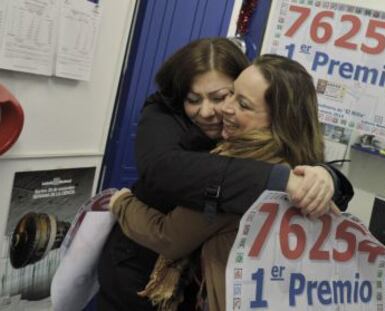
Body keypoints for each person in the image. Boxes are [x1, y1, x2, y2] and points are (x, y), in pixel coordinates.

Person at [97, 38, 353, 310]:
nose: (215, 111)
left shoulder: (255, 157)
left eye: (229, 97)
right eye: (193, 99)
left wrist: (327, 178)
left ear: (278, 118)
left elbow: (170, 237)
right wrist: (291, 178)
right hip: (135, 272)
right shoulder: (166, 116)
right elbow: (162, 168)